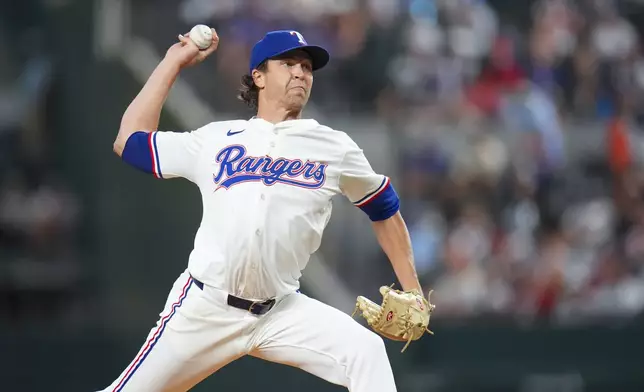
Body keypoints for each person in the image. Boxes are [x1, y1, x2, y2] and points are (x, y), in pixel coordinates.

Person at [101, 28, 426, 392]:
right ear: (258, 76)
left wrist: (413, 289)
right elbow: (128, 141)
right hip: (206, 307)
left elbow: (384, 206)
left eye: (306, 66)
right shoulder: (216, 139)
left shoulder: (333, 147)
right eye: (288, 63)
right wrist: (173, 61)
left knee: (366, 352)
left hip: (280, 311)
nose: (301, 72)